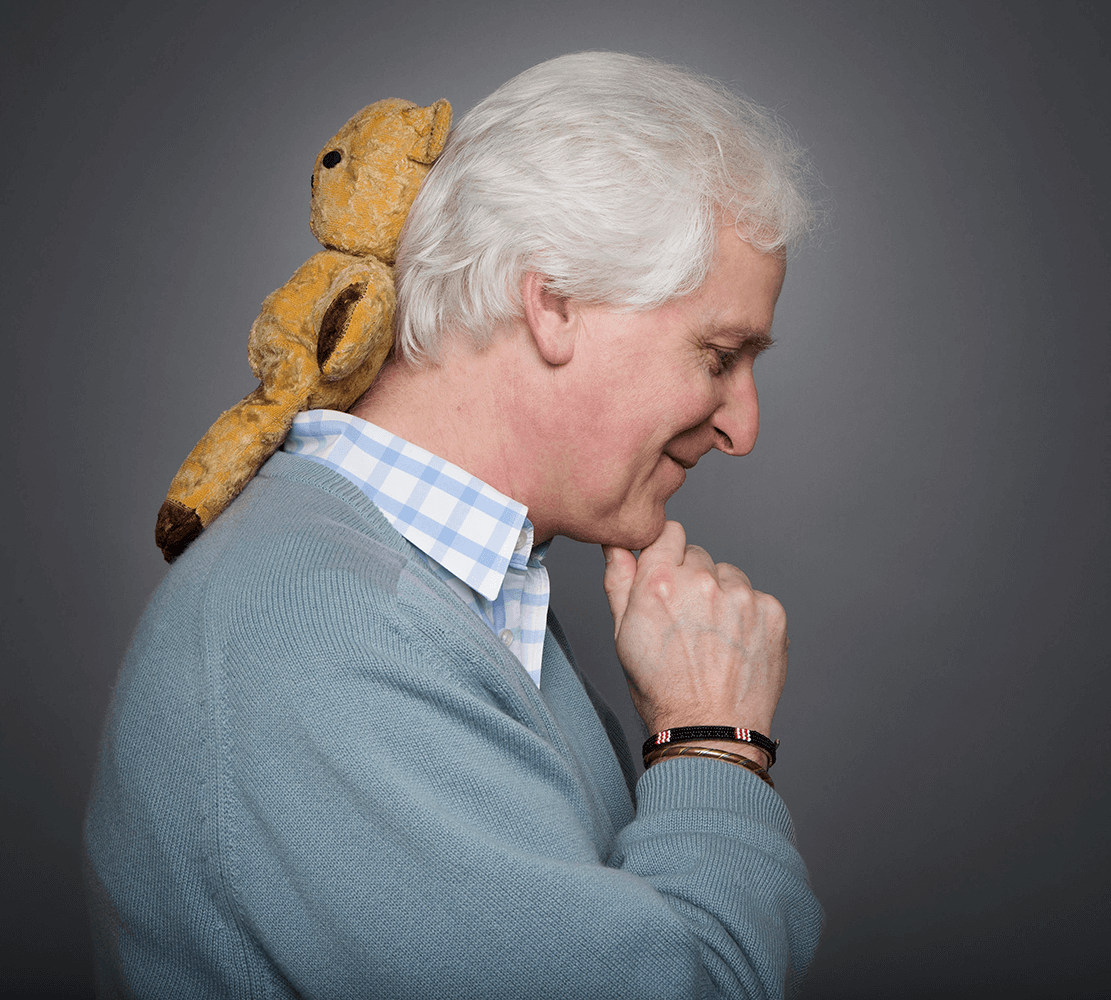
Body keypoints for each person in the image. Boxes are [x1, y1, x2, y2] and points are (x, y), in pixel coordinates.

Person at [84, 52, 822, 999]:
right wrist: (711, 743)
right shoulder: (325, 634)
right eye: (718, 355)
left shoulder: (441, 582)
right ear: (551, 300)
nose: (742, 426)